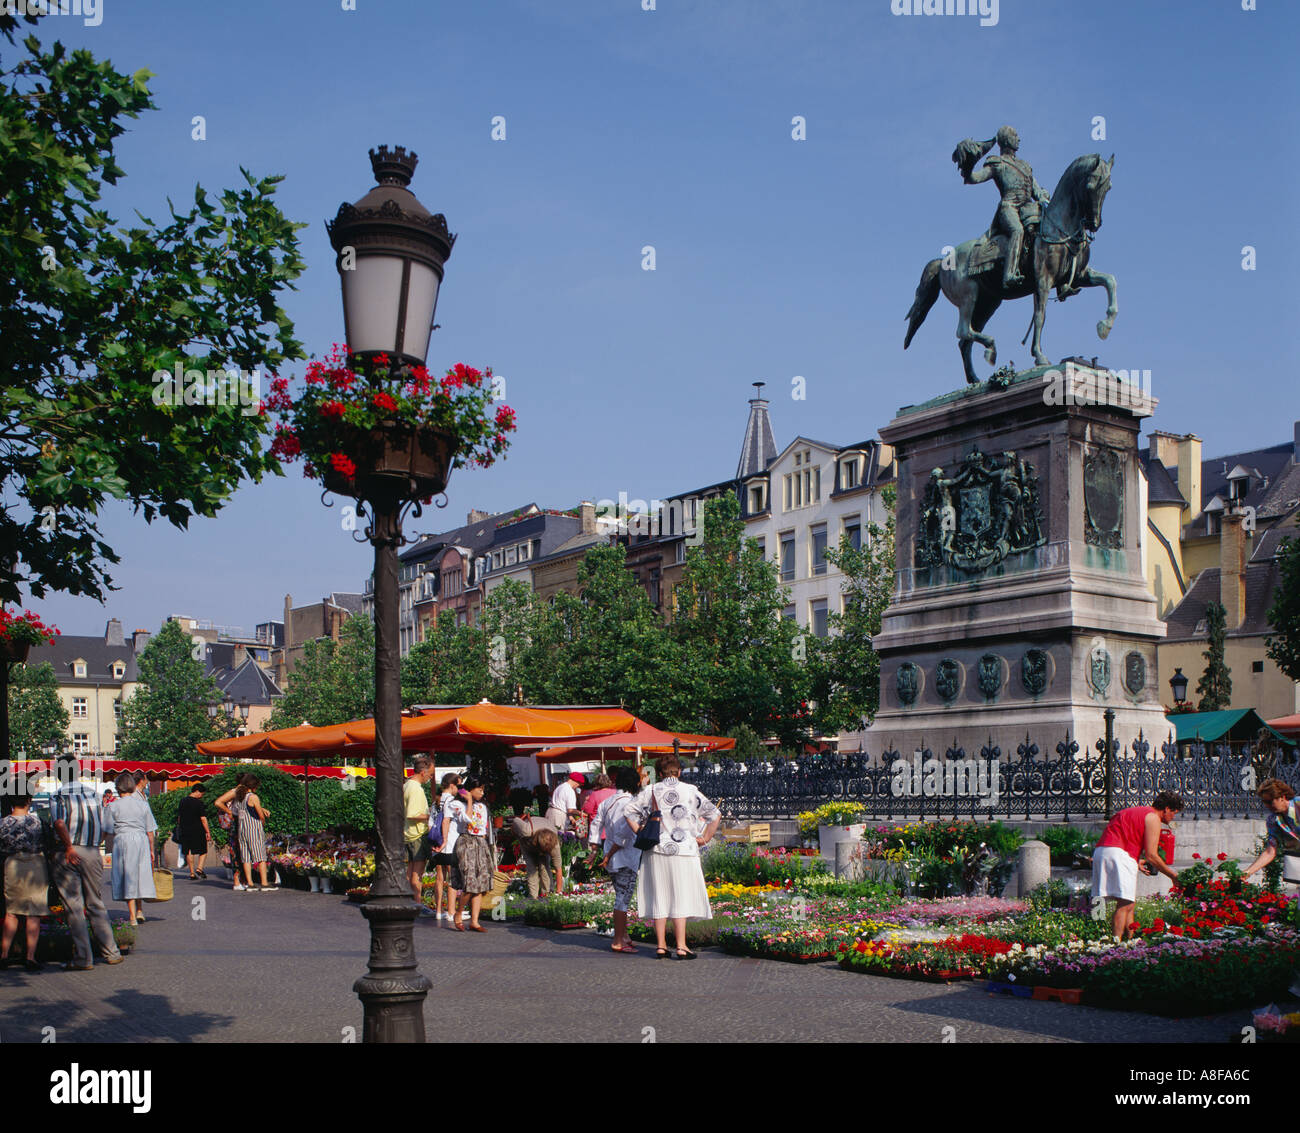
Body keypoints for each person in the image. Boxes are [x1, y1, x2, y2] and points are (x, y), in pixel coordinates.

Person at [624, 753, 721, 960]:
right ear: (679, 772)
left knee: (660, 896)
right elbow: (715, 814)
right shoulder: (690, 790)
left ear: (659, 773)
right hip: (684, 850)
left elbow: (628, 811)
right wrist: (704, 838)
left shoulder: (651, 790)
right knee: (681, 896)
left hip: (655, 850)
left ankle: (660, 946)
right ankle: (681, 945)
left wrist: (640, 831)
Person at [51, 765, 124, 970]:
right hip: (92, 851)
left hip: (68, 851)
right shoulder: (94, 794)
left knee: (73, 906)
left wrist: (68, 847)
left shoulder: (58, 795)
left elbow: (58, 823)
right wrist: (92, 845)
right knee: (96, 902)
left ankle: (84, 958)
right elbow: (106, 827)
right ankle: (111, 952)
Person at [1091, 791, 1183, 940]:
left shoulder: (1133, 811)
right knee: (1125, 903)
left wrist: (1135, 860)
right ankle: (1115, 946)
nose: (1173, 817)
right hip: (1119, 855)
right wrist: (1172, 875)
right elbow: (1152, 855)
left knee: (1104, 899)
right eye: (1174, 812)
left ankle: (1124, 940)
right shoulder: (1153, 817)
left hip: (1102, 851)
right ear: (1166, 809)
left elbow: (1124, 837)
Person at [0, 792, 49, 970]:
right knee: (34, 913)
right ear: (29, 801)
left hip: (12, 865)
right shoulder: (37, 822)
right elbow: (48, 841)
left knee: (11, 912)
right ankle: (30, 957)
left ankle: (4, 954)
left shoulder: (3, 823)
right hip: (36, 864)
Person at [598, 766, 644, 954]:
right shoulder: (630, 803)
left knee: (621, 894)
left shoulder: (608, 801)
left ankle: (623, 935)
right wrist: (610, 853)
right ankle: (618, 939)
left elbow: (596, 823)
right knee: (622, 899)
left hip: (611, 854)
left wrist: (598, 849)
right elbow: (624, 834)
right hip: (624, 856)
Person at [106, 771, 157, 927]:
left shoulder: (112, 806)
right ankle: (139, 910)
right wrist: (152, 850)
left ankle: (132, 915)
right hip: (141, 840)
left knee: (127, 876)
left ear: (117, 787)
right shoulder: (143, 805)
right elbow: (150, 830)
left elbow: (107, 829)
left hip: (123, 840)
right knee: (140, 874)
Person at [445, 777, 493, 932]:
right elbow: (467, 819)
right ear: (470, 790)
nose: (482, 792)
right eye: (479, 789)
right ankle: (458, 913)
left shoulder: (483, 806)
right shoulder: (457, 804)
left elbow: (483, 828)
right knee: (470, 883)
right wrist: (470, 801)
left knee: (481, 884)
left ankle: (475, 921)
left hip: (480, 843)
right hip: (466, 843)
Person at [219, 775, 273, 892]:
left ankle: (250, 883)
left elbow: (236, 811)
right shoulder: (253, 797)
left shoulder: (238, 797)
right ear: (253, 786)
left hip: (241, 829)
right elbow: (260, 815)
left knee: (246, 857)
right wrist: (262, 821)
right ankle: (264, 883)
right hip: (254, 829)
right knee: (260, 857)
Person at [1243, 778, 1300, 884]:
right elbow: (1270, 851)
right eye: (1264, 802)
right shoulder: (1273, 820)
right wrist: (1248, 872)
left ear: (1282, 797)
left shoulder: (1298, 804)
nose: (1267, 806)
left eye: (1270, 801)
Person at [508, 789, 562, 900]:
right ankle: (534, 897)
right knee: (532, 868)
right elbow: (516, 820)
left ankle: (547, 894)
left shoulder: (554, 844)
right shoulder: (526, 830)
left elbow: (558, 869)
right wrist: (516, 830)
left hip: (542, 837)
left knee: (544, 866)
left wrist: (559, 892)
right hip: (527, 842)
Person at [403, 757, 436, 914]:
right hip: (417, 834)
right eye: (430, 774)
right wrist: (430, 816)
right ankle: (417, 905)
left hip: (408, 834)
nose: (430, 778)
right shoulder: (416, 789)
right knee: (418, 873)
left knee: (410, 873)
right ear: (423, 772)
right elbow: (412, 814)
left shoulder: (407, 785)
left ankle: (410, 902)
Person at [431, 773, 462, 922]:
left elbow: (430, 823)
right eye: (459, 785)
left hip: (436, 844)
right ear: (452, 785)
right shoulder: (451, 801)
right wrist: (445, 839)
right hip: (449, 843)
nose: (459, 789)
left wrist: (438, 841)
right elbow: (446, 822)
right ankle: (451, 911)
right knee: (452, 878)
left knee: (439, 877)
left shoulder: (436, 802)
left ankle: (438, 910)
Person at [215, 774, 247, 889]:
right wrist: (229, 812)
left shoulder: (243, 792)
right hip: (236, 825)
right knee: (236, 851)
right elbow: (218, 802)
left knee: (242, 851)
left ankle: (242, 880)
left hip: (241, 824)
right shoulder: (235, 791)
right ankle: (237, 881)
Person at [176, 783, 211, 880]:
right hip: (197, 829)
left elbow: (179, 817)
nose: (201, 796)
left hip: (185, 829)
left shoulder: (182, 801)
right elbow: (203, 819)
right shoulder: (199, 803)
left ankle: (191, 873)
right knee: (203, 850)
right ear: (197, 791)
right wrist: (207, 832)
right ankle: (199, 868)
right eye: (202, 794)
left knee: (188, 851)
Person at [582, 773, 616, 849]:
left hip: (599, 830)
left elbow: (587, 810)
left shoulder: (594, 795)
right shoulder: (615, 792)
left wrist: (586, 801)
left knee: (599, 855)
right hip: (614, 828)